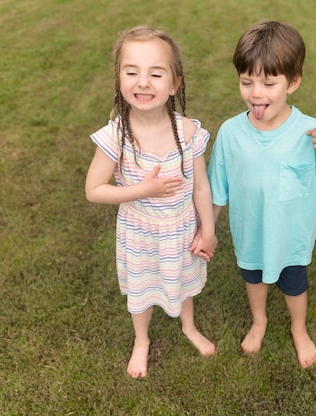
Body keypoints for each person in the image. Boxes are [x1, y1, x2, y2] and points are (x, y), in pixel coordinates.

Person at [207, 20, 316, 368]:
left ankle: (299, 329)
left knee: (294, 285)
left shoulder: (308, 131)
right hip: (250, 232)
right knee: (254, 278)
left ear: (293, 82)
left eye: (268, 83)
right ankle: (259, 321)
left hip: (292, 238)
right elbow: (217, 189)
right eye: (247, 82)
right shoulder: (230, 133)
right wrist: (208, 231)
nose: (256, 93)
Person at [85, 26, 217, 378]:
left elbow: (201, 187)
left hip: (182, 230)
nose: (143, 82)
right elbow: (94, 189)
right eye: (132, 72)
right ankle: (141, 340)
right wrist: (141, 191)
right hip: (140, 234)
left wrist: (208, 231)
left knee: (185, 282)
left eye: (155, 73)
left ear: (174, 84)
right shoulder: (116, 136)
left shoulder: (188, 132)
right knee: (142, 292)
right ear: (119, 78)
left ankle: (188, 326)